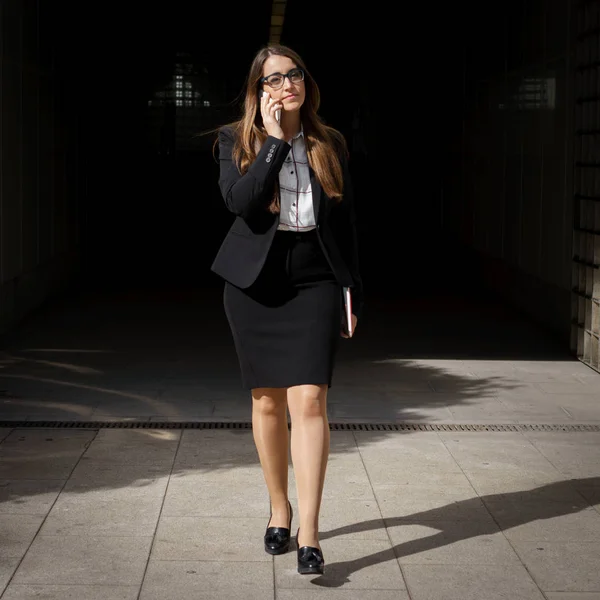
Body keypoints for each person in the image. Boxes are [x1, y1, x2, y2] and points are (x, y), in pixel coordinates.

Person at [210, 44, 363, 575]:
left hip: (316, 280)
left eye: (293, 74)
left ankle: (311, 533)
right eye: (273, 79)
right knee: (268, 403)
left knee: (311, 403)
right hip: (255, 284)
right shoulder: (237, 140)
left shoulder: (330, 143)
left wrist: (352, 293)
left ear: (305, 82)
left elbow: (345, 227)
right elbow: (243, 203)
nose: (287, 84)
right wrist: (274, 142)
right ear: (259, 92)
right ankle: (280, 508)